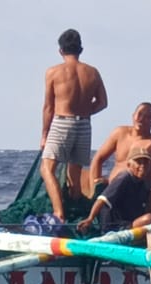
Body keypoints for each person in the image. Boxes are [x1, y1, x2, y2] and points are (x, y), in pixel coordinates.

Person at [40, 28, 108, 224]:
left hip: (62, 122)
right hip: (84, 125)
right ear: (81, 49)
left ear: (61, 50)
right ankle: (77, 212)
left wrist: (44, 135)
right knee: (75, 176)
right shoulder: (92, 72)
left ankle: (59, 213)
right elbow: (103, 102)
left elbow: (48, 107)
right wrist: (86, 112)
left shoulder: (53, 72)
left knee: (47, 169)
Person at [87, 101, 151, 216]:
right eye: (139, 114)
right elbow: (98, 159)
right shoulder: (120, 133)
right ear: (133, 115)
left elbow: (145, 179)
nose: (142, 119)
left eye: (147, 117)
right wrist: (95, 186)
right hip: (112, 189)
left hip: (131, 196)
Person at [76, 146, 151, 234]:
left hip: (131, 219)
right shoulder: (124, 178)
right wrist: (90, 219)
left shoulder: (142, 181)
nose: (142, 166)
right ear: (129, 165)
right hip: (116, 227)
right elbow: (102, 200)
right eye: (138, 162)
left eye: (145, 163)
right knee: (149, 218)